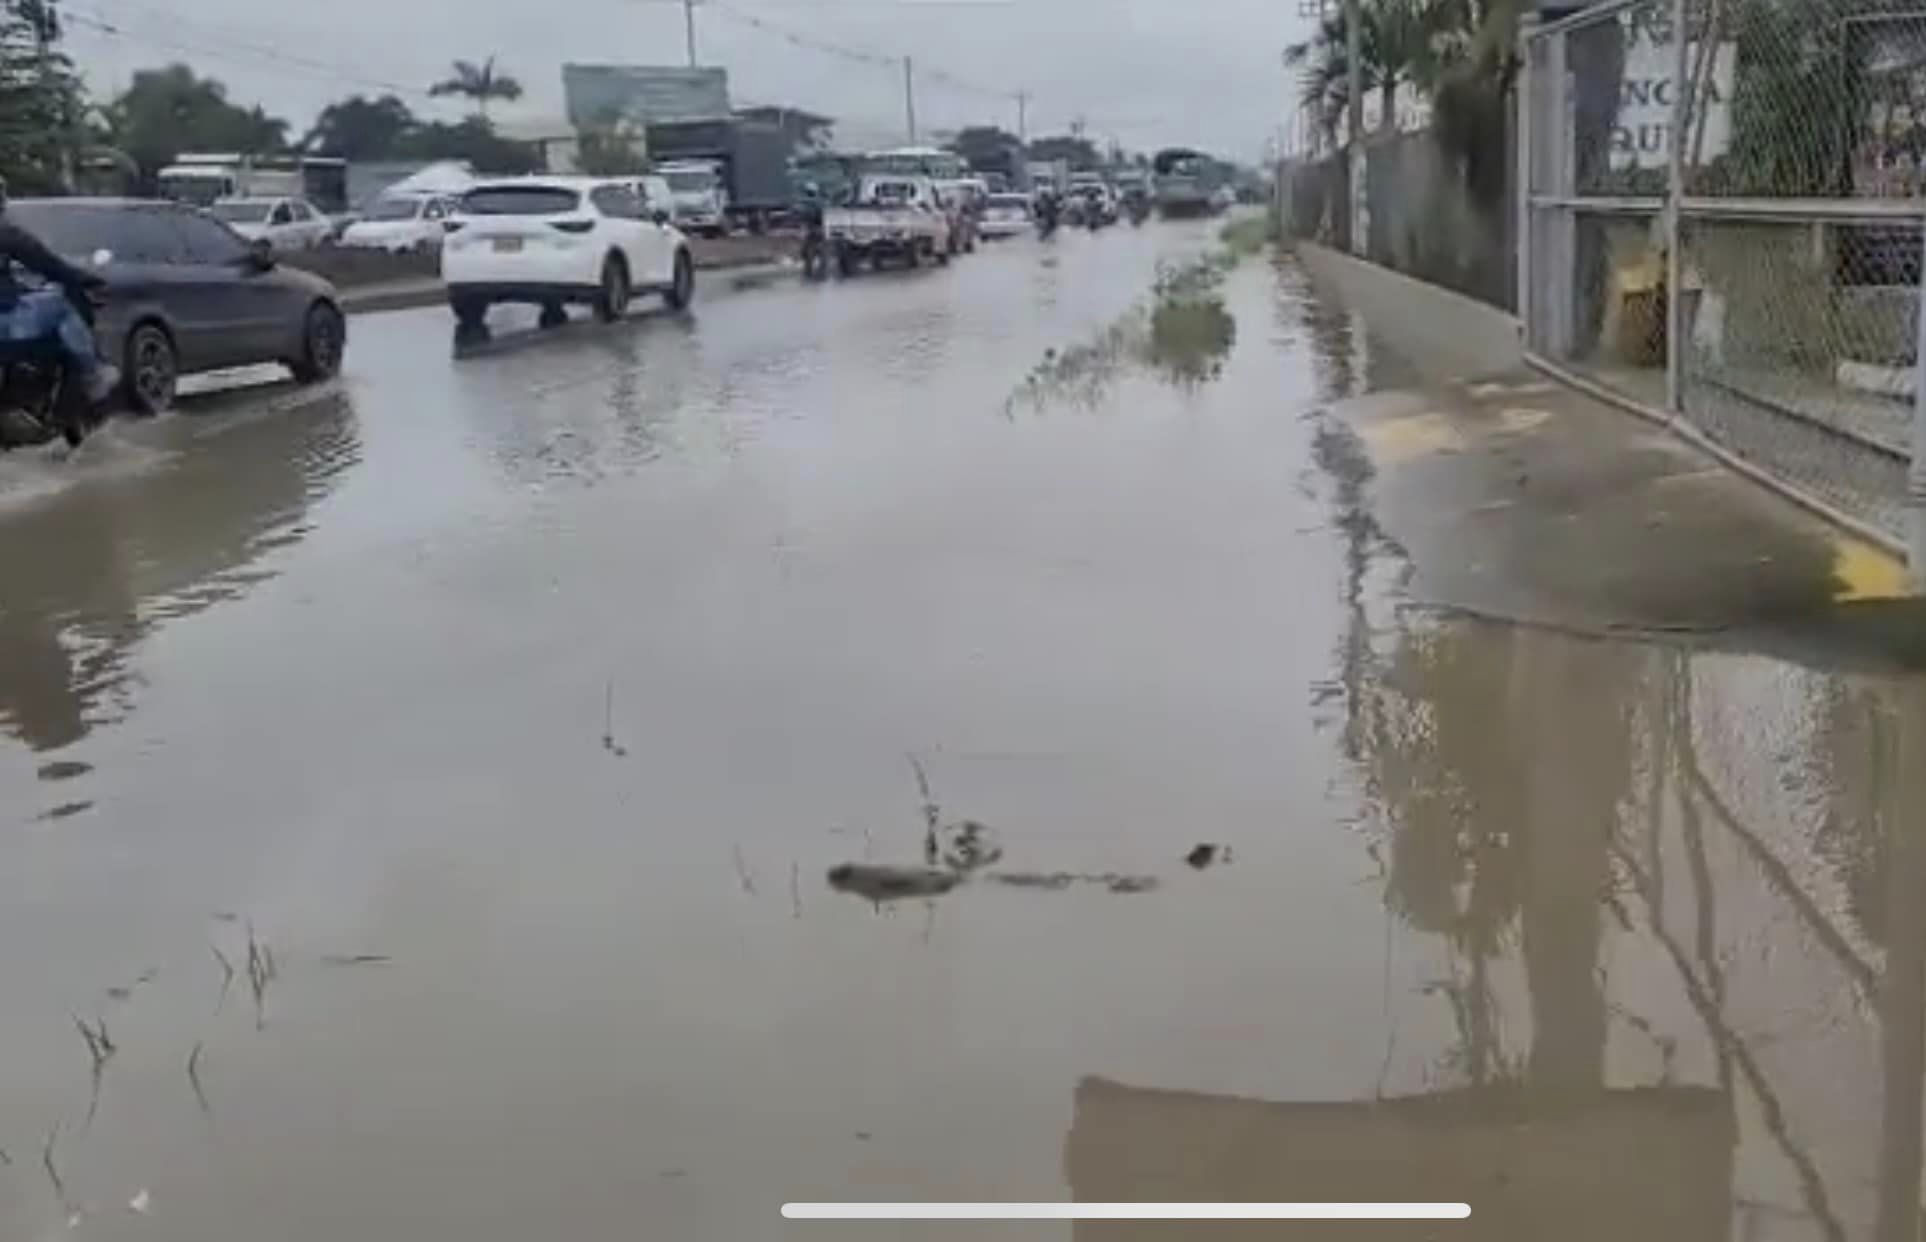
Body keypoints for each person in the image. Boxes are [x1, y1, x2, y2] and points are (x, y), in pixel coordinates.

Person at [0, 177, 118, 404]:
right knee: (61, 306)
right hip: (6, 327)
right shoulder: (7, 233)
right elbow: (50, 265)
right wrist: (88, 280)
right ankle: (93, 374)